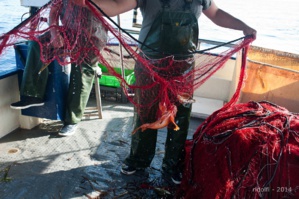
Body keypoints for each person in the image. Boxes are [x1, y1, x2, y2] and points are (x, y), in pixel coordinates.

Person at [72, 0, 256, 184]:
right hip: (149, 64)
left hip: (183, 65)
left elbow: (216, 14)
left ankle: (173, 166)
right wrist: (87, 3)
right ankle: (138, 161)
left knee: (180, 117)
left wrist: (243, 27)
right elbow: (116, 6)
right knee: (146, 113)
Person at [10, 0, 107, 136]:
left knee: (81, 74)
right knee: (37, 44)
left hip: (93, 36)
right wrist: (55, 32)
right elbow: (54, 11)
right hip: (69, 32)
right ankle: (33, 94)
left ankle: (72, 121)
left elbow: (112, 8)